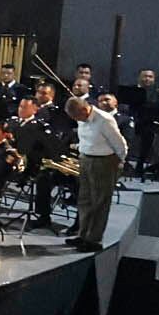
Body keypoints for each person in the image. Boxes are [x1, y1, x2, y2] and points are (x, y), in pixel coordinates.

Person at [67, 95, 124, 251]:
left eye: (78, 116)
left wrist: (120, 162)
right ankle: (83, 235)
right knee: (84, 199)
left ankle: (94, 240)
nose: (78, 120)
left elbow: (120, 143)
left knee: (100, 201)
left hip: (104, 161)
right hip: (86, 159)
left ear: (85, 109)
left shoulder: (104, 120)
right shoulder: (81, 117)